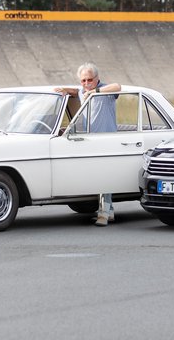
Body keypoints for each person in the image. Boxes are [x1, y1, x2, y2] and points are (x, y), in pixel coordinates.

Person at [55, 62, 121, 227]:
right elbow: (75, 90)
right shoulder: (82, 90)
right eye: (83, 81)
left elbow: (118, 86)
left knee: (104, 177)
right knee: (98, 176)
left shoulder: (105, 90)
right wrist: (64, 90)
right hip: (91, 140)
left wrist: (95, 91)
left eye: (90, 80)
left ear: (97, 79)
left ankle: (104, 214)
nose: (86, 84)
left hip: (107, 140)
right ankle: (109, 210)